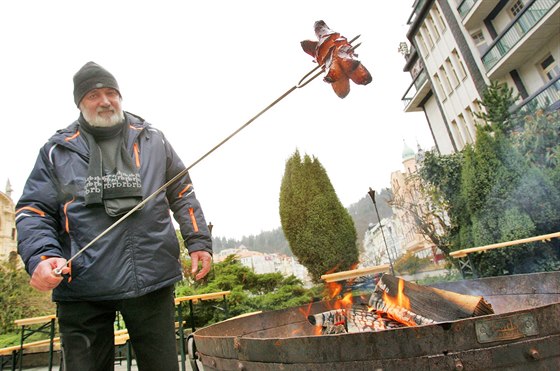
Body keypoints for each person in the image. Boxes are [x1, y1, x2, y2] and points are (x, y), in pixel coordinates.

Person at [16, 61, 213, 371]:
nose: (105, 101)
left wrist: (198, 239)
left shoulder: (153, 139)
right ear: (79, 103)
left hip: (151, 279)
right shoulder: (55, 151)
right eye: (94, 94)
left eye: (111, 93)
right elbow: (33, 211)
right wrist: (41, 256)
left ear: (120, 97)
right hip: (81, 287)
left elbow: (182, 191)